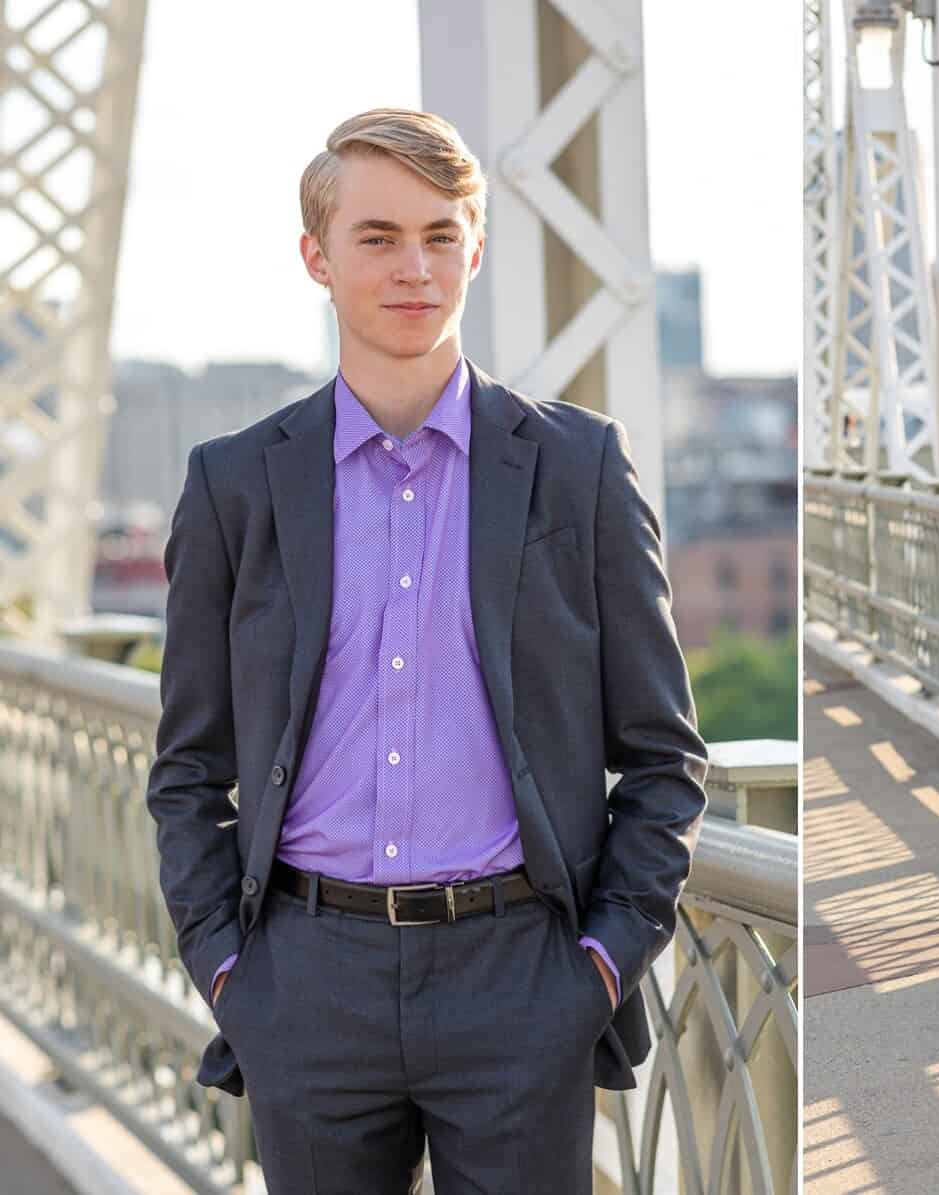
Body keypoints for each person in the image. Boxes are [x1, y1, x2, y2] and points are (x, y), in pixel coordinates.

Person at [144, 107, 708, 1191]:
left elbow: (663, 754)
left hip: (520, 979)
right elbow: (187, 769)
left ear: (475, 252)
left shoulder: (580, 466)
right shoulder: (234, 482)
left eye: (441, 235)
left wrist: (597, 967)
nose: (415, 267)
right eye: (378, 237)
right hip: (307, 984)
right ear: (317, 257)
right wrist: (229, 971)